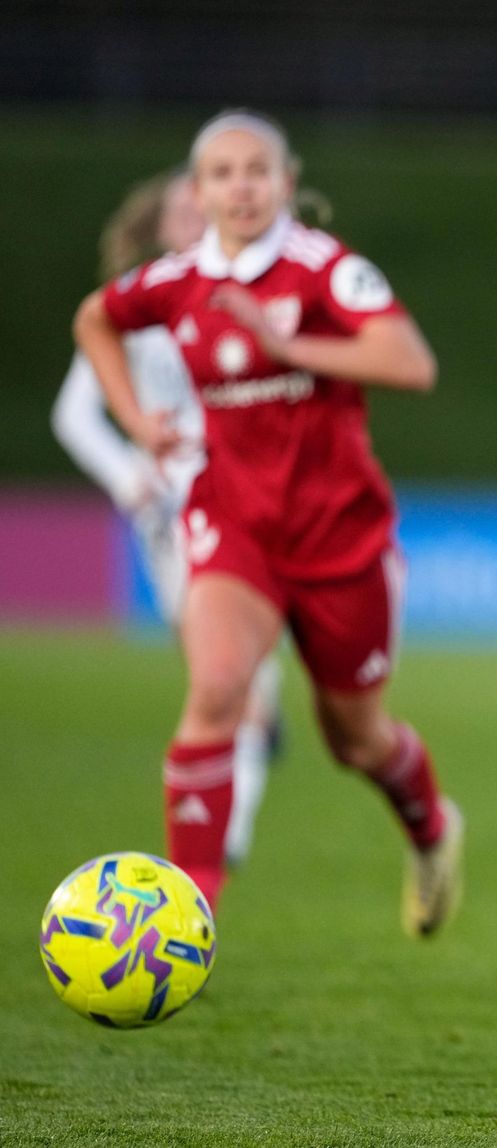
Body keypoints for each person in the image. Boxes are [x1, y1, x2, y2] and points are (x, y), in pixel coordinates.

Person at [72, 109, 463, 937]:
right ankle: (190, 914)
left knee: (355, 741)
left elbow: (410, 362)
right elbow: (95, 319)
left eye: (257, 170)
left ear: (286, 183)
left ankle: (433, 832)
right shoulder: (176, 280)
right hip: (235, 528)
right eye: (222, 172)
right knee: (216, 691)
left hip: (339, 537)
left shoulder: (326, 272)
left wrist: (288, 348)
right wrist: (138, 422)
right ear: (199, 190)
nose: (241, 185)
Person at [52, 168, 283, 870]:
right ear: (159, 225)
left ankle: (226, 833)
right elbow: (74, 414)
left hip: (255, 504)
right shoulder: (143, 306)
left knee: (244, 675)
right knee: (223, 675)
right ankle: (226, 817)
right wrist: (130, 474)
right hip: (177, 514)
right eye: (185, 206)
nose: (201, 212)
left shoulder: (258, 294)